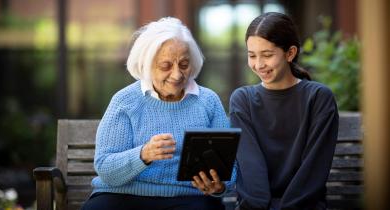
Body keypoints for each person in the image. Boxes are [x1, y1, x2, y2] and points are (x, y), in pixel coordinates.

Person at [81, 17, 234, 210]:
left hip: (188, 197)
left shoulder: (208, 101)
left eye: (184, 64)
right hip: (124, 195)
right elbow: (105, 168)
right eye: (166, 66)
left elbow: (230, 168)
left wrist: (218, 186)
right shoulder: (125, 101)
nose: (177, 75)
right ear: (146, 63)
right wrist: (143, 154)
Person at [229, 12, 339, 210]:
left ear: (290, 53)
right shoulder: (242, 100)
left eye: (268, 55)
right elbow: (251, 168)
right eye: (252, 55)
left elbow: (313, 171)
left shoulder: (318, 99)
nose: (259, 64)